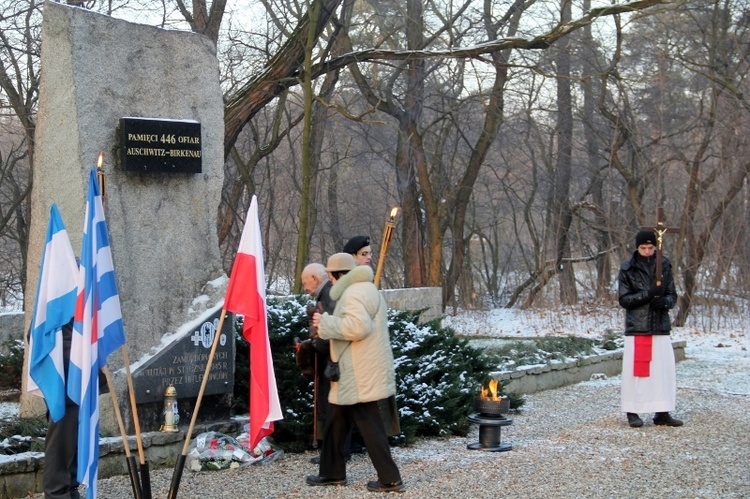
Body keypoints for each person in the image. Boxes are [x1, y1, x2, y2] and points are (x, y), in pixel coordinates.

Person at [306, 253, 404, 493]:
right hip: (360, 370)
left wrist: (325, 323)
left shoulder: (353, 293)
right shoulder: (367, 289)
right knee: (336, 422)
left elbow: (358, 327)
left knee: (369, 424)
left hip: (357, 373)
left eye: (329, 275)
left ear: (334, 275)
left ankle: (390, 479)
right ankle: (332, 473)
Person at [617, 230, 683, 428]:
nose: (646, 251)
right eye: (643, 248)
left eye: (650, 248)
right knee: (637, 372)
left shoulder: (663, 264)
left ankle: (662, 412)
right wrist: (648, 294)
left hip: (660, 326)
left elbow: (673, 295)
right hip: (638, 327)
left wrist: (665, 302)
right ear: (637, 247)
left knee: (662, 371)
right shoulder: (628, 269)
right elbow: (624, 299)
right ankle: (632, 411)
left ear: (655, 247)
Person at [300, 263, 340, 463]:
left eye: (305, 283)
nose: (305, 288)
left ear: (315, 279)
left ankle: (334, 453)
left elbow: (329, 327)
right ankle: (333, 452)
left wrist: (315, 345)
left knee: (332, 406)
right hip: (331, 358)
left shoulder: (328, 295)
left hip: (331, 359)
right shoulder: (327, 293)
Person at [42, 318, 81, 499]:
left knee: (74, 444)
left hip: (79, 385)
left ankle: (70, 490)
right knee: (61, 445)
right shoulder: (56, 297)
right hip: (63, 384)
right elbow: (41, 336)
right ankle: (57, 494)